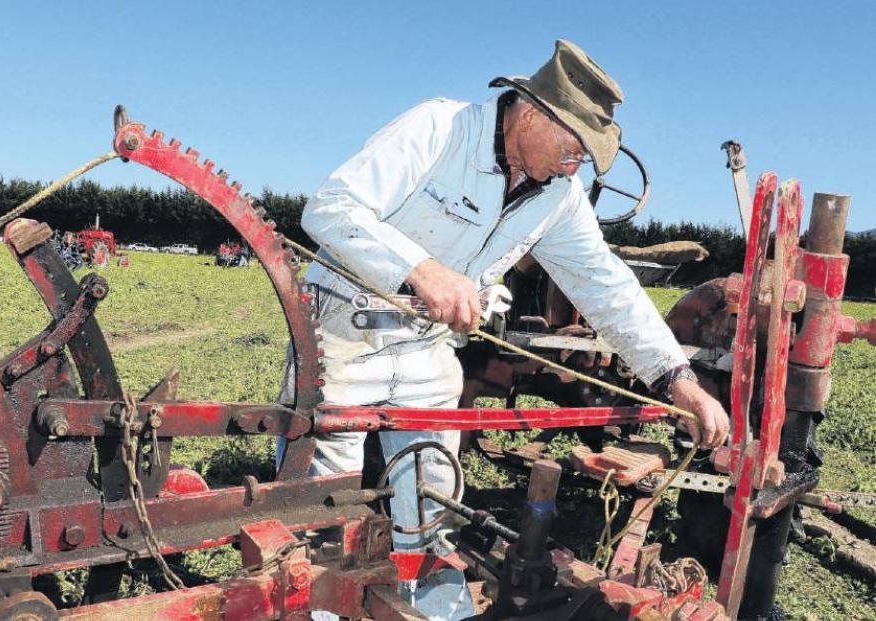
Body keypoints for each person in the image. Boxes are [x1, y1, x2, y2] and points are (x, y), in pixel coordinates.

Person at [280, 40, 730, 620]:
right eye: (573, 149)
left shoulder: (559, 198)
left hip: (426, 352)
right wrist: (422, 271)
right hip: (342, 335)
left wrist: (678, 379)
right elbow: (331, 208)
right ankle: (318, 603)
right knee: (325, 499)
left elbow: (606, 287)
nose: (575, 167)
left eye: (585, 159)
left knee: (430, 498)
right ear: (533, 112)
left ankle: (430, 606)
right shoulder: (438, 129)